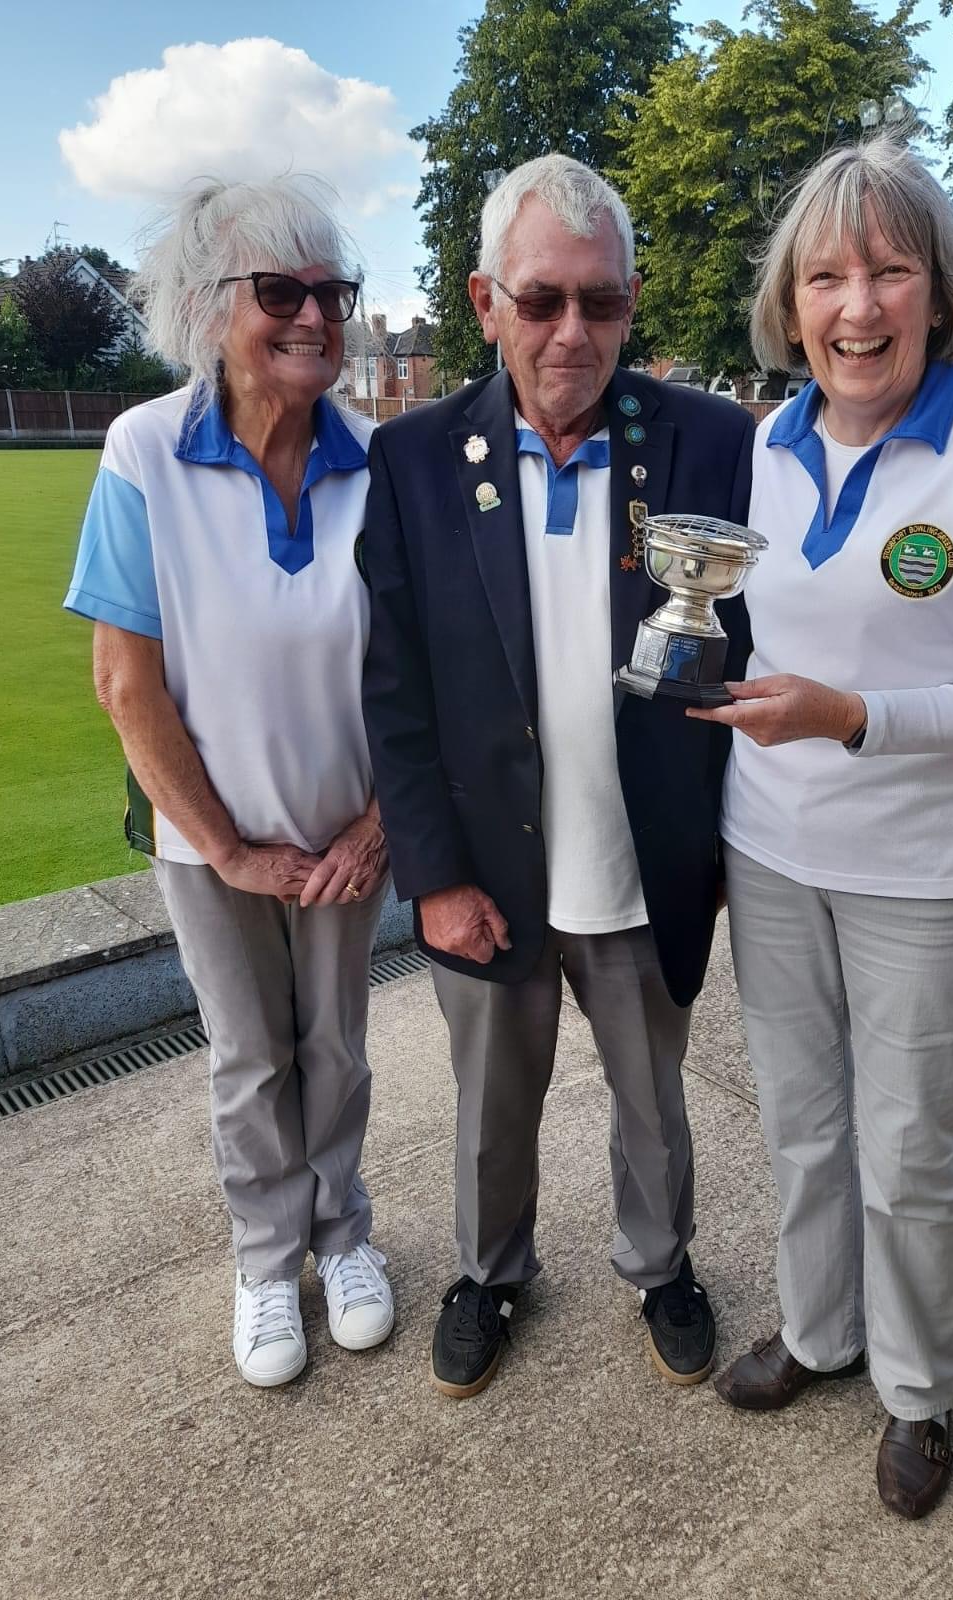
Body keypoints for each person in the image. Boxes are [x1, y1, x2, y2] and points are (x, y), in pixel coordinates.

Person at [689, 135, 953, 1517]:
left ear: (939, 291)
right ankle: (819, 1333)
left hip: (930, 867)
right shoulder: (768, 443)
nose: (859, 306)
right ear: (793, 304)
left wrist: (852, 716)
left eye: (889, 270)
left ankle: (919, 1393)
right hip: (775, 849)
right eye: (829, 275)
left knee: (908, 1146)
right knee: (802, 1125)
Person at [359, 154, 755, 1398]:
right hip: (487, 864)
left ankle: (663, 1264)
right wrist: (427, 878)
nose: (574, 331)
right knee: (489, 1107)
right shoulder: (414, 458)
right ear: (487, 302)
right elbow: (396, 691)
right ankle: (490, 1272)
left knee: (654, 1102)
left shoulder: (712, 440)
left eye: (602, 301)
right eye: (542, 301)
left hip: (645, 859)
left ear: (633, 301)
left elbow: (765, 646)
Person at [64, 176, 393, 1389]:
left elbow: (417, 677)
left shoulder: (378, 461)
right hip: (211, 843)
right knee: (250, 1056)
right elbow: (125, 683)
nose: (313, 315)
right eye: (280, 291)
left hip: (345, 833)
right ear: (212, 309)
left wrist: (376, 823)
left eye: (331, 291)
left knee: (340, 1047)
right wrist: (229, 846)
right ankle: (267, 1259)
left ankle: (342, 1232)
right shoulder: (144, 449)